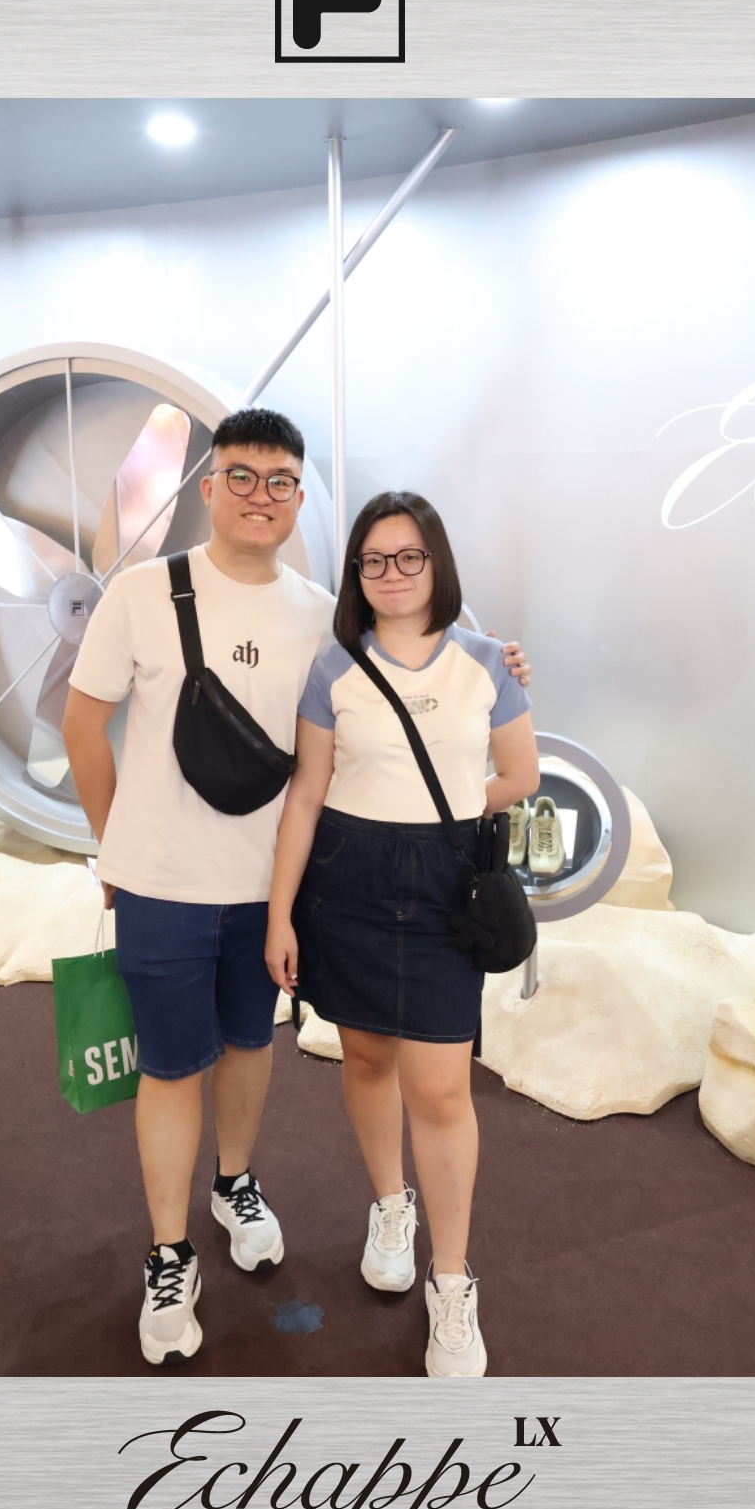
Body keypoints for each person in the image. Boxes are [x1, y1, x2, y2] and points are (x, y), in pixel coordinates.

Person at [63, 415, 532, 1369]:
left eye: (280, 480)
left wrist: (503, 663)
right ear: (207, 487)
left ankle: (235, 1184)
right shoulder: (142, 594)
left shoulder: (323, 615)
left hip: (276, 884)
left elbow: (419, 666)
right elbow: (83, 725)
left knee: (249, 1046)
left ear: (300, 498)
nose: (260, 495)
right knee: (170, 1064)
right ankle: (169, 1254)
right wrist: (115, 851)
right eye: (241, 476)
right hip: (163, 881)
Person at [265, 490, 540, 1378]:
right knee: (367, 1057)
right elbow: (306, 794)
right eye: (374, 560)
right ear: (357, 573)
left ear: (436, 564)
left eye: (409, 556)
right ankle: (392, 1205)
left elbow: (521, 773)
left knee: (442, 1088)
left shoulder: (486, 662)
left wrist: (446, 812)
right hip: (344, 881)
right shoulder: (333, 670)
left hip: (441, 887)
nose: (392, 573)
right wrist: (280, 913)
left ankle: (451, 1280)